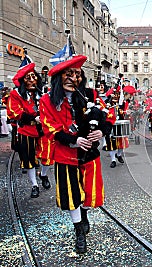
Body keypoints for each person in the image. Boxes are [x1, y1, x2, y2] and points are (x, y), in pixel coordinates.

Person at [40, 54, 113, 254]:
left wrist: (103, 129)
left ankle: (84, 214)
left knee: (89, 193)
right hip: (65, 155)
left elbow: (109, 114)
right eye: (69, 73)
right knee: (71, 194)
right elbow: (49, 127)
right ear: (59, 77)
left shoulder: (90, 95)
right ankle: (79, 229)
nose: (74, 78)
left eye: (77, 74)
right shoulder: (47, 100)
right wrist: (73, 140)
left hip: (89, 153)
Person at [7, 62, 51, 198]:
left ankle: (43, 175)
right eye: (28, 78)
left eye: (34, 77)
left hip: (43, 129)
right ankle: (34, 185)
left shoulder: (44, 92)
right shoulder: (16, 94)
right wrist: (33, 117)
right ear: (22, 81)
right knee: (29, 159)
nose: (32, 80)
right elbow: (14, 112)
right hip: (26, 130)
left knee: (47, 156)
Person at [104, 84, 132, 168]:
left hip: (120, 124)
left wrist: (127, 113)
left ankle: (119, 155)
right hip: (110, 125)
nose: (115, 96)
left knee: (121, 142)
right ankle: (113, 160)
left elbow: (125, 112)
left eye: (117, 94)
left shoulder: (123, 103)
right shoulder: (106, 103)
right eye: (114, 95)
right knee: (111, 143)